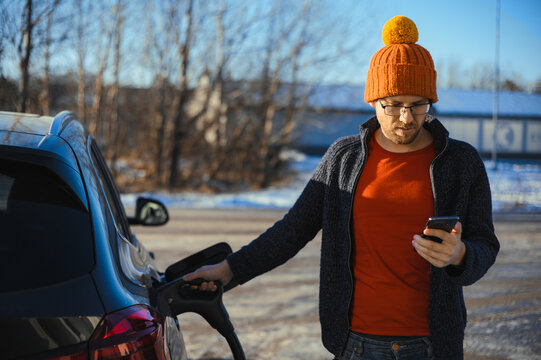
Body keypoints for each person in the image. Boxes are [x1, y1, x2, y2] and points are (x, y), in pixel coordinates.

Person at [183, 15, 499, 360]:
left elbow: (485, 243)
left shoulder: (461, 162)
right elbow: (292, 231)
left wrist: (461, 255)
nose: (407, 118)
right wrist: (229, 271)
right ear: (373, 101)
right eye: (393, 104)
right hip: (354, 344)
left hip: (431, 345)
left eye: (418, 104)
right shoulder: (343, 159)